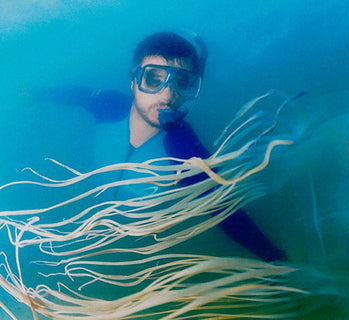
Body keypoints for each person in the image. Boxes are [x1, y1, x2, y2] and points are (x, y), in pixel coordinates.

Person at [40, 31, 286, 262]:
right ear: (133, 81)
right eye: (153, 79)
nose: (167, 95)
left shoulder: (183, 148)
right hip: (77, 220)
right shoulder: (109, 105)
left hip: (136, 248)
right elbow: (73, 94)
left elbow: (225, 212)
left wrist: (276, 259)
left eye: (183, 83)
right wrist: (28, 93)